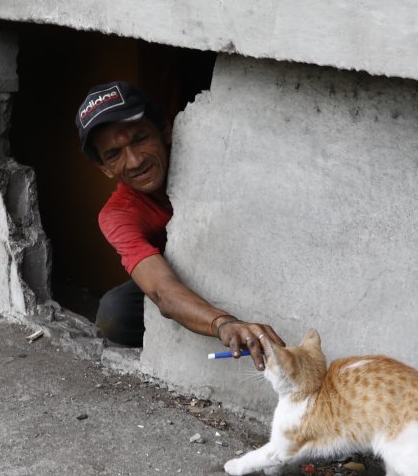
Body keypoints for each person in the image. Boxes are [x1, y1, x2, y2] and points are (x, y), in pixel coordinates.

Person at [75, 81, 286, 370]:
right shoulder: (118, 214)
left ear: (165, 130)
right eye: (114, 155)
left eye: (140, 138)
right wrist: (224, 324)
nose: (135, 161)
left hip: (232, 264)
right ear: (105, 168)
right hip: (177, 278)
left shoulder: (209, 159)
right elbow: (162, 291)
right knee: (116, 311)